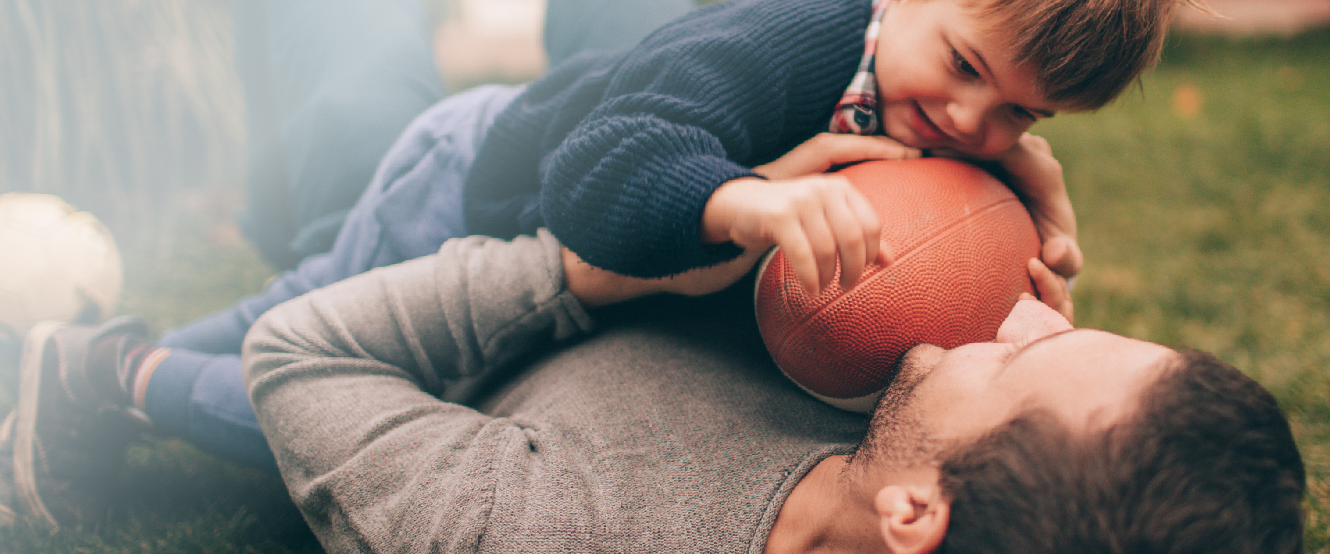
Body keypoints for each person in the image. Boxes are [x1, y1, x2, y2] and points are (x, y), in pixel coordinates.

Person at [1, 0, 1203, 530]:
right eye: (969, 73)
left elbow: (964, 190)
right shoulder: (815, 37)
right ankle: (103, 369)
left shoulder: (945, 97)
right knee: (313, 317)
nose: (973, 125)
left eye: (1024, 115)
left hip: (615, 164)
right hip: (477, 190)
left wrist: (1033, 205)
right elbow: (595, 182)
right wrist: (746, 203)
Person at [237, 229, 1305, 553]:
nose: (1022, 317)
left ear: (916, 509)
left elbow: (299, 355)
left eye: (1022, 357)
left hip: (414, 231)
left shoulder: (553, 531)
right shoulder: (904, 415)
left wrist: (603, 262)